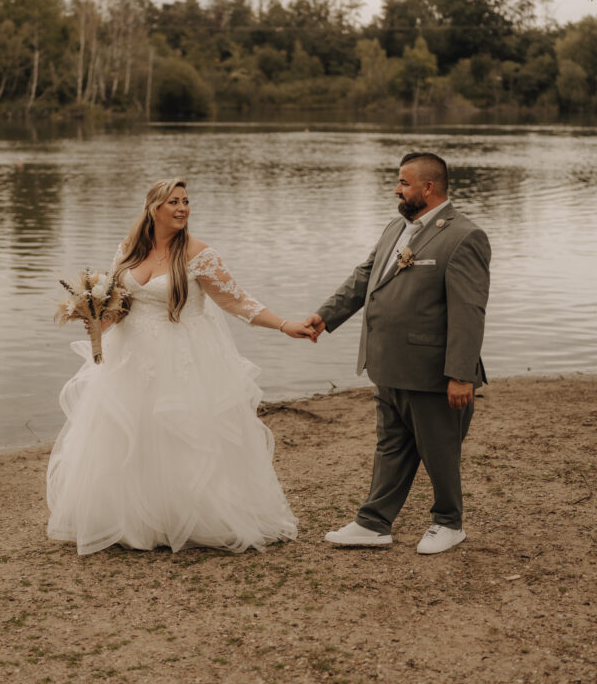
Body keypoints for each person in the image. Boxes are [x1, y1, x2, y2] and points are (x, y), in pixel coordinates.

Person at [46, 179, 313, 555]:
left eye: (186, 202)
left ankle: (188, 519)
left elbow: (238, 302)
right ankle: (131, 520)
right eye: (174, 202)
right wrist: (96, 320)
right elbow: (121, 306)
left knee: (179, 437)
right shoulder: (128, 250)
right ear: (154, 207)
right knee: (129, 434)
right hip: (129, 357)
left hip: (180, 358)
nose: (183, 208)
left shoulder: (199, 255)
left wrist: (285, 325)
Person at [306, 152, 490, 555]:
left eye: (404, 182)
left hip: (433, 371)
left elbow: (468, 312)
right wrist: (326, 315)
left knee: (439, 449)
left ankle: (448, 522)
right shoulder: (396, 228)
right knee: (390, 444)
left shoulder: (463, 236)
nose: (396, 189)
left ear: (429, 187)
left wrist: (461, 374)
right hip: (387, 364)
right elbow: (364, 276)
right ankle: (374, 523)